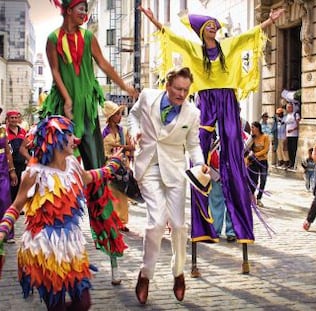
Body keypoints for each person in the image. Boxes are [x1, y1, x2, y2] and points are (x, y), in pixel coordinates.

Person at [139, 5, 284, 243]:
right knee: (200, 151)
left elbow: (247, 36)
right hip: (206, 98)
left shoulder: (226, 46)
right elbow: (173, 38)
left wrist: (269, 21)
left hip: (227, 97)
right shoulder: (195, 50)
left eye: (215, 25)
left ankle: (236, 222)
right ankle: (204, 225)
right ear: (202, 30)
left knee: (232, 150)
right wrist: (155, 22)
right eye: (210, 25)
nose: (214, 28)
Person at [41, 0, 136, 284]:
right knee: (54, 178)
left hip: (88, 114)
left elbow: (104, 64)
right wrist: (68, 99)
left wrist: (125, 86)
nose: (84, 13)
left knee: (97, 180)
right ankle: (52, 255)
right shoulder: (51, 39)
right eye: (80, 9)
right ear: (67, 10)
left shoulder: (89, 36)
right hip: (63, 112)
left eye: (86, 9)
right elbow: (56, 71)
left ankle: (112, 255)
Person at [0, 116, 124, 311]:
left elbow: (90, 176)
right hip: (45, 249)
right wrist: (2, 232)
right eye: (69, 134)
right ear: (55, 139)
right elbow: (16, 206)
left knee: (83, 303)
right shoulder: (34, 174)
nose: (74, 139)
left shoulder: (72, 164)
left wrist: (113, 164)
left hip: (71, 246)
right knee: (56, 307)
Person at [127, 67, 208, 304]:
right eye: (178, 89)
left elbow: (193, 145)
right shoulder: (147, 97)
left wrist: (200, 164)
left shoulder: (192, 113)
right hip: (148, 166)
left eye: (186, 90)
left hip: (174, 171)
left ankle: (179, 272)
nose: (182, 94)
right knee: (156, 222)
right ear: (167, 86)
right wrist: (134, 132)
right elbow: (133, 115)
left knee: (180, 226)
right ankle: (145, 274)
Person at [102, 101, 134, 232]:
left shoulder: (124, 131)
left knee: (123, 195)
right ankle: (112, 221)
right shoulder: (103, 133)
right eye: (117, 114)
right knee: (112, 195)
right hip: (109, 168)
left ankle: (122, 221)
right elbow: (102, 152)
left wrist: (120, 148)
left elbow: (131, 147)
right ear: (111, 117)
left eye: (120, 114)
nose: (120, 117)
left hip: (122, 167)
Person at [0, 108, 18, 243]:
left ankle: (8, 233)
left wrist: (12, 171)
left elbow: (7, 152)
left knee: (5, 199)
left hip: (3, 171)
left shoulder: (2, 132)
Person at [246, 121, 270, 207]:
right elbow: (246, 149)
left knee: (263, 180)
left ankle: (259, 198)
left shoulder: (265, 137)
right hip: (253, 162)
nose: (252, 129)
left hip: (263, 161)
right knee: (254, 180)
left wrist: (256, 154)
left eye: (253, 127)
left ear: (258, 128)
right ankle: (251, 196)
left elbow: (266, 149)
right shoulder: (252, 138)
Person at [6, 110, 27, 209]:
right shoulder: (4, 133)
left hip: (22, 164)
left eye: (15, 117)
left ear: (18, 119)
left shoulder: (23, 131)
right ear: (8, 120)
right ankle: (11, 207)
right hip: (10, 165)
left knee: (21, 186)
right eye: (12, 118)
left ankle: (18, 206)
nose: (14, 120)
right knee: (11, 187)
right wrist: (11, 169)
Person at [285, 102, 300, 170]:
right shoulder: (287, 115)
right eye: (287, 107)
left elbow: (298, 125)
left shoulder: (295, 115)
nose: (288, 108)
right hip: (288, 135)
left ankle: (294, 163)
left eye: (289, 107)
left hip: (294, 135)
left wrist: (292, 130)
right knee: (289, 149)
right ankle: (291, 163)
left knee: (294, 149)